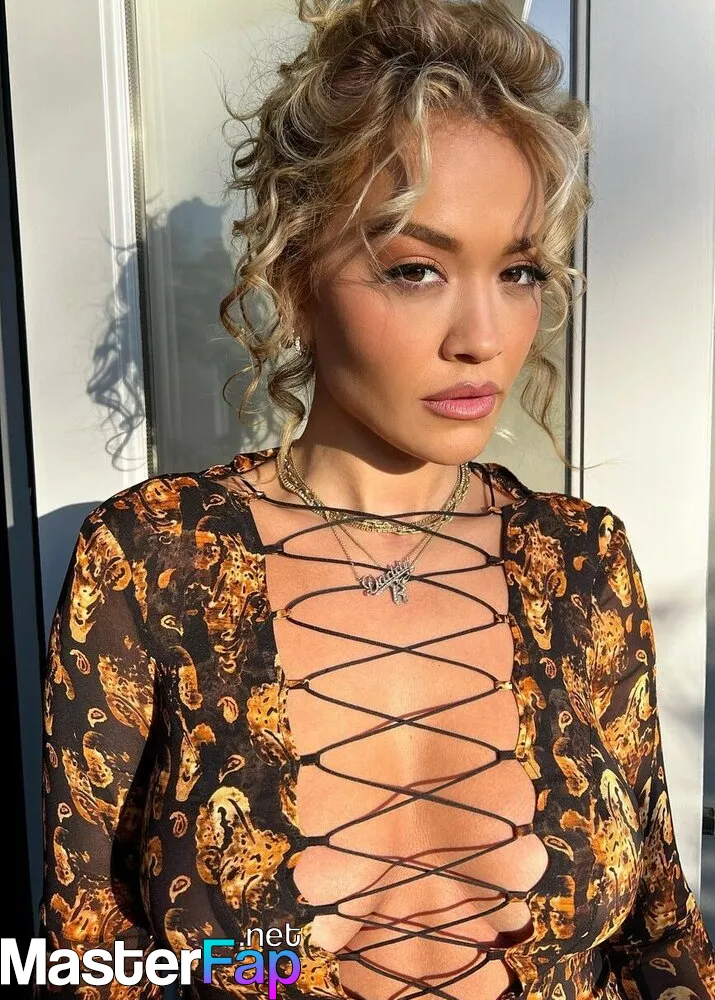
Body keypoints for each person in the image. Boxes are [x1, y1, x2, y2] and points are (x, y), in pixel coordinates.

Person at [36, 0, 715, 998]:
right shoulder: (153, 559)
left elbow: (660, 935)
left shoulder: (580, 566)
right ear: (294, 280)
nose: (482, 337)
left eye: (518, 269)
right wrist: (262, 971)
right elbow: (91, 952)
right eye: (416, 269)